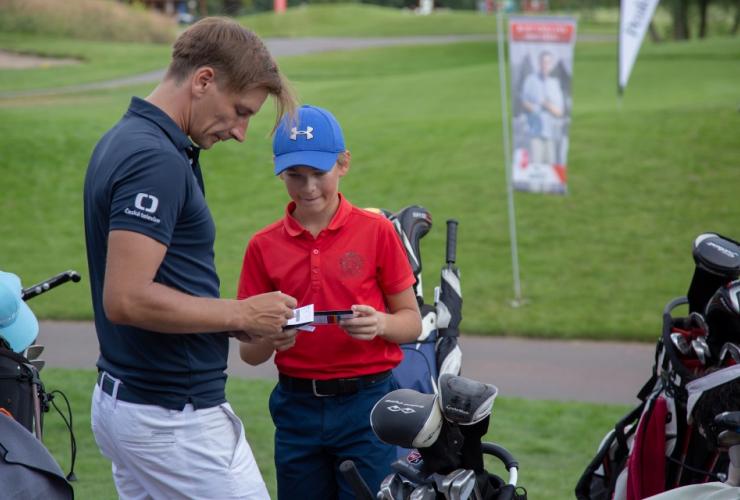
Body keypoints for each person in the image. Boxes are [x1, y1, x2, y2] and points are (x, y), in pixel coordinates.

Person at [83, 17, 298, 500]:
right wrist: (240, 313)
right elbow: (126, 298)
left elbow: (162, 281)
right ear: (203, 80)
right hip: (170, 418)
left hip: (134, 403)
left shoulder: (128, 137)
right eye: (240, 112)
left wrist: (234, 323)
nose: (241, 132)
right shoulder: (154, 159)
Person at [237, 104, 422, 499]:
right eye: (294, 175)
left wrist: (380, 324)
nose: (308, 188)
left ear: (343, 164)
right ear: (279, 171)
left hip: (368, 403)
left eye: (319, 173)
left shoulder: (376, 231)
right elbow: (250, 354)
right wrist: (271, 338)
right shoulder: (263, 245)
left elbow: (412, 322)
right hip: (297, 406)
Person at [520, 50, 565, 165]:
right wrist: (535, 108)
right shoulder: (530, 81)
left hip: (551, 135)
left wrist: (547, 105)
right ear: (539, 63)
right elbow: (523, 102)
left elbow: (559, 112)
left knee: (551, 169)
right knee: (535, 169)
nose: (545, 65)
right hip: (535, 134)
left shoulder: (554, 84)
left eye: (548, 63)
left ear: (551, 65)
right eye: (543, 62)